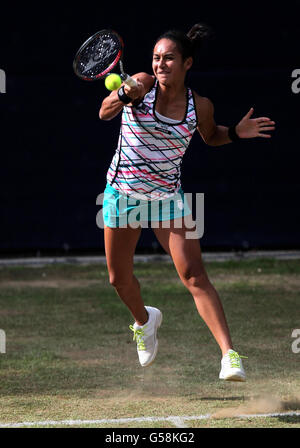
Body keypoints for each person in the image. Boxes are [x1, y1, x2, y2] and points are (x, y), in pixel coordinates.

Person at [99, 24, 275, 381]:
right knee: (119, 279)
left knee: (195, 275)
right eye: (156, 58)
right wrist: (123, 95)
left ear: (187, 63)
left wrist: (236, 134)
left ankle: (230, 356)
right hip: (123, 195)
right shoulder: (142, 83)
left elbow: (211, 136)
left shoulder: (200, 106)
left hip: (168, 199)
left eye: (169, 58)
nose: (160, 64)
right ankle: (144, 321)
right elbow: (104, 113)